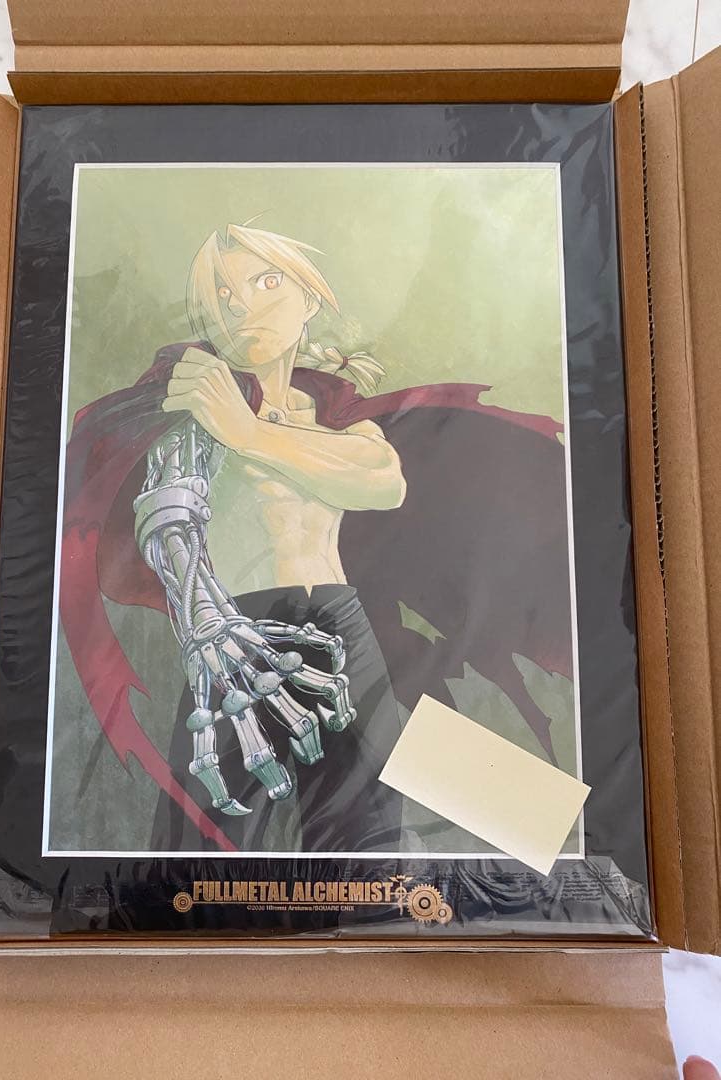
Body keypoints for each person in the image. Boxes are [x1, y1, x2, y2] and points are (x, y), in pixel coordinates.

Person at [61, 222, 573, 854]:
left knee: (368, 833)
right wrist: (205, 630)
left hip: (341, 623)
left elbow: (382, 482)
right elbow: (166, 517)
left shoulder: (337, 417)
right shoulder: (193, 414)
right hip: (237, 632)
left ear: (308, 298)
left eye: (265, 282)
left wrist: (249, 433)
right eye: (221, 295)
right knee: (205, 842)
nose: (241, 306)